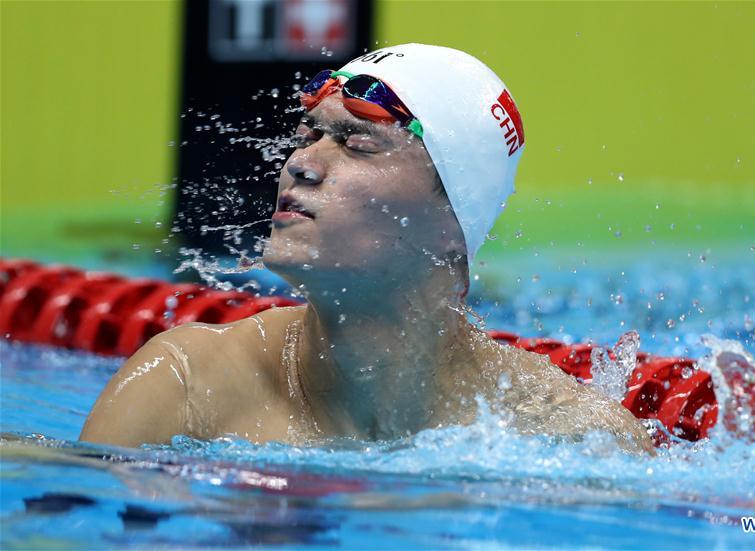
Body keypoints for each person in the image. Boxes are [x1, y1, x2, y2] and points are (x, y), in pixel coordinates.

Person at [80, 44, 652, 454]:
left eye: (358, 143)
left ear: (454, 223)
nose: (300, 164)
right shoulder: (185, 386)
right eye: (310, 136)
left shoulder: (572, 438)